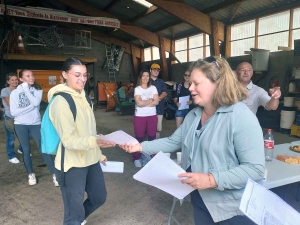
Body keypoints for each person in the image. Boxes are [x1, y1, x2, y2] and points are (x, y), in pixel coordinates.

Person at [120, 56, 265, 225]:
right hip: (200, 199)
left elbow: (255, 169)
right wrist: (139, 146)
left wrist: (211, 179)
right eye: (190, 83)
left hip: (232, 208)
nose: (191, 88)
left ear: (217, 83)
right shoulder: (194, 115)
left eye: (197, 83)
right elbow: (174, 141)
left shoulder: (240, 116)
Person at [48, 57, 115, 225]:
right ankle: (75, 220)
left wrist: (98, 153)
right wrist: (95, 142)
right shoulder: (61, 102)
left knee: (99, 197)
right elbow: (69, 140)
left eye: (85, 75)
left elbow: (89, 131)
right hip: (71, 164)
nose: (82, 79)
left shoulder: (85, 97)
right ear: (64, 75)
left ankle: (77, 219)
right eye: (77, 75)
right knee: (73, 210)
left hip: (90, 159)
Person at [10, 69, 57, 186]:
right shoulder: (14, 93)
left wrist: (27, 91)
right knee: (26, 150)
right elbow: (13, 113)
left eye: (32, 75)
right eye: (27, 76)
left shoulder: (37, 89)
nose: (31, 78)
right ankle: (31, 174)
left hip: (35, 124)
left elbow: (36, 103)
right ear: (21, 79)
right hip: (20, 125)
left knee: (44, 149)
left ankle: (55, 174)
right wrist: (30, 107)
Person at [133, 69, 159, 167]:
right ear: (140, 77)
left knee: (152, 137)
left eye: (147, 76)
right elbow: (139, 103)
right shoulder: (137, 89)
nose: (145, 78)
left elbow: (156, 102)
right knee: (139, 138)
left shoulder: (153, 88)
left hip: (152, 115)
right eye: (143, 76)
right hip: (139, 116)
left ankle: (152, 156)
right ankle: (137, 158)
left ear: (149, 77)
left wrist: (145, 102)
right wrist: (151, 99)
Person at [1, 72, 23, 163]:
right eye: (12, 80)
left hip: (21, 117)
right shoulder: (5, 91)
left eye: (16, 79)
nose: (14, 81)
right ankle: (11, 156)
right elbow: (11, 105)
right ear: (8, 81)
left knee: (24, 136)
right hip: (10, 118)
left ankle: (21, 149)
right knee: (11, 139)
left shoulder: (20, 89)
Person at [150, 63, 167, 138]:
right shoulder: (146, 80)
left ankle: (156, 145)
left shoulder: (161, 82)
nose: (156, 71)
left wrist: (158, 99)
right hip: (148, 109)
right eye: (154, 70)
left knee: (158, 129)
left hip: (159, 108)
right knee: (148, 128)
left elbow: (164, 93)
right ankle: (147, 146)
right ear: (150, 70)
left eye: (157, 70)